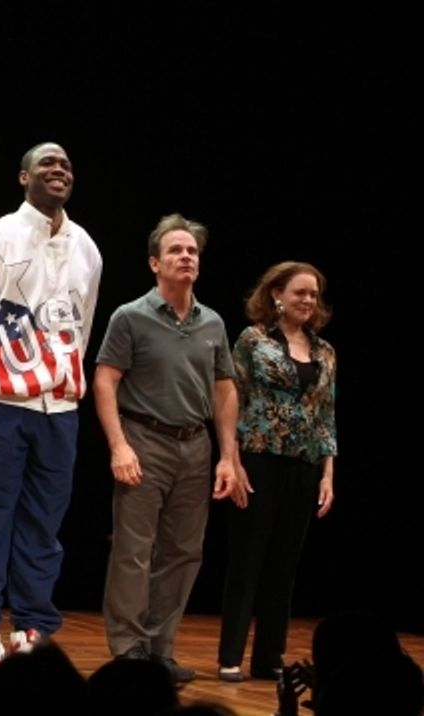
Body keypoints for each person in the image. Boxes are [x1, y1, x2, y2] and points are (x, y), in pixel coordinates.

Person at [0, 142, 102, 679]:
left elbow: (82, 327)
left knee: (44, 524)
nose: (59, 170)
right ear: (23, 177)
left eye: (66, 165)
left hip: (59, 410)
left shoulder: (88, 249)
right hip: (0, 407)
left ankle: (34, 625)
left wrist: (62, 382)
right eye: (47, 165)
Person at [93, 213, 239, 684]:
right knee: (134, 550)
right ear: (155, 262)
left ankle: (160, 647)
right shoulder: (130, 316)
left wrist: (228, 455)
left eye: (192, 251)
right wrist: (119, 446)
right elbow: (105, 380)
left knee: (184, 551)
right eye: (176, 250)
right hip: (144, 439)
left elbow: (224, 391)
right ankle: (129, 647)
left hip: (194, 445)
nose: (186, 257)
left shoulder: (212, 323)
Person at [216, 262, 337, 682]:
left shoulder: (324, 352)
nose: (307, 301)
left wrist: (327, 474)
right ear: (276, 295)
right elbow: (232, 400)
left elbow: (327, 416)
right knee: (247, 561)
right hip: (259, 461)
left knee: (284, 567)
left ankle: (269, 658)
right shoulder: (252, 340)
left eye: (313, 295)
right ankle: (231, 655)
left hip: (304, 466)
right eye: (300, 292)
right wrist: (230, 459)